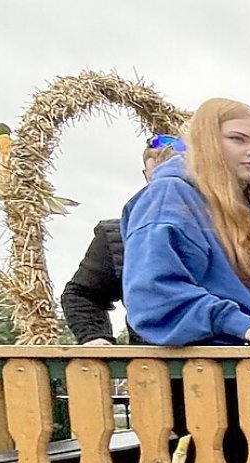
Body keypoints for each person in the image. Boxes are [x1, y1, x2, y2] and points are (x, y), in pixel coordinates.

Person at [122, 99, 250, 362]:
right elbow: (153, 295)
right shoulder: (169, 196)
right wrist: (242, 325)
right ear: (208, 143)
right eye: (238, 139)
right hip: (204, 374)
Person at [62, 137, 184, 345]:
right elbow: (81, 294)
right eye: (158, 175)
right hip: (151, 369)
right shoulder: (117, 236)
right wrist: (96, 338)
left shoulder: (232, 230)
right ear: (147, 177)